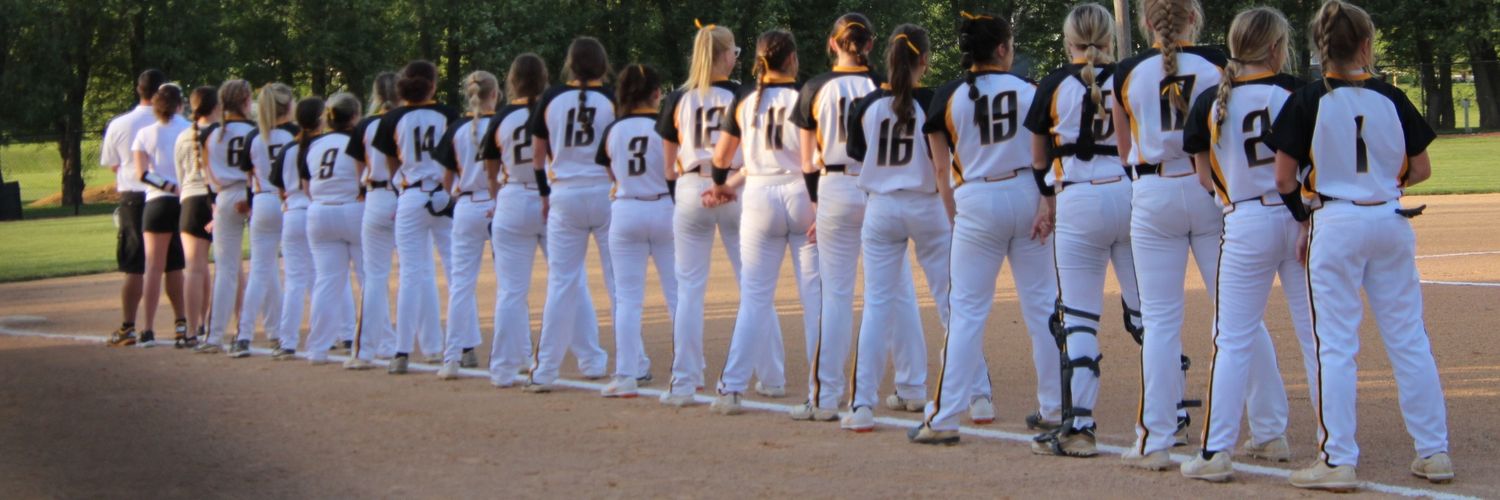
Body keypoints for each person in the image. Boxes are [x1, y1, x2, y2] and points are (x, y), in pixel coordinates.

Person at [1266, 0, 1453, 490]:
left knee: (1337, 345)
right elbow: (1421, 169)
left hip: (1336, 221)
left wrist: (1307, 214)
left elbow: (1284, 177)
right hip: (1389, 219)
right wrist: (1380, 186)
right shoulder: (1391, 96)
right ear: (1366, 45)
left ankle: (1338, 458)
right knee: (1409, 338)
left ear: (1320, 47)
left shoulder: (1307, 99)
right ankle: (1434, 452)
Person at [1178, 7, 1316, 481]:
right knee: (1316, 338)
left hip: (1244, 220)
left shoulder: (1211, 102)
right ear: (1277, 48)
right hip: (1302, 220)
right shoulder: (1299, 92)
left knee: (1231, 341)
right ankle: (1332, 447)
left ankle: (1216, 453)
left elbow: (1202, 176)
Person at [913, 10, 1058, 445]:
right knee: (1042, 307)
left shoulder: (947, 96)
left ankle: (943, 417)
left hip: (975, 196)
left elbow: (941, 169)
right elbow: (1046, 155)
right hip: (1028, 194)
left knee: (967, 312)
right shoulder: (1032, 90)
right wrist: (1046, 203)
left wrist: (956, 216)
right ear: (1000, 49)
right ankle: (1054, 406)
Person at [1112, 0, 1237, 466]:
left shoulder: (1128, 72)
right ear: (1194, 18)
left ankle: (1156, 438)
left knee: (1161, 320)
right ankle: (1269, 429)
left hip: (1155, 190)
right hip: (1209, 187)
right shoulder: (1217, 65)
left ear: (1146, 22)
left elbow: (1126, 149)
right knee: (1236, 315)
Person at [791, 13, 930, 421]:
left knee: (836, 294)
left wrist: (817, 206)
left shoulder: (815, 87)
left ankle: (826, 395)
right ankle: (912, 385)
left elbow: (805, 160)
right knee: (898, 290)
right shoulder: (881, 85)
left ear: (833, 44)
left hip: (834, 186)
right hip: (879, 187)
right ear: (870, 46)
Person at [656, 22, 785, 406]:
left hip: (692, 185)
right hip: (737, 186)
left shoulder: (678, 98)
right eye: (734, 52)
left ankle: (684, 380)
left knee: (689, 289)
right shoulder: (746, 95)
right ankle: (772, 375)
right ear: (724, 55)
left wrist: (682, 196)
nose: (736, 58)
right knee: (754, 286)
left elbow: (667, 166)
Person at [839, 24, 952, 433]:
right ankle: (976, 396)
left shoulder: (867, 104)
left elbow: (857, 152)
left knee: (877, 306)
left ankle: (863, 404)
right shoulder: (933, 100)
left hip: (882, 208)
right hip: (927, 206)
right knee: (953, 304)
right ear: (923, 59)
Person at [707, 29, 821, 416]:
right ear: (791, 59)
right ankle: (819, 389)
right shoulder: (805, 94)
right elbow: (813, 158)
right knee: (814, 298)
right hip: (800, 192)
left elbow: (721, 159)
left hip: (758, 196)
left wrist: (722, 187)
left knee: (754, 297)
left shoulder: (744, 99)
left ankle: (731, 388)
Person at [524, 38, 618, 392]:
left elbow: (537, 158)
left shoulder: (550, 98)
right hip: (605, 192)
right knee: (618, 281)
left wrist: (545, 193)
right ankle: (633, 363)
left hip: (564, 192)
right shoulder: (612, 98)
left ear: (570, 64)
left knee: (562, 283)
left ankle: (545, 369)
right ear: (601, 64)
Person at [595, 64, 680, 398]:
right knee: (677, 293)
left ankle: (627, 373)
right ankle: (689, 367)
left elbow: (609, 172)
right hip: (663, 207)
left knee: (627, 298)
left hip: (626, 208)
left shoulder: (613, 130)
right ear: (657, 94)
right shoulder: (664, 125)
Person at [372, 61, 460, 374]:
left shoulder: (392, 117)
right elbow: (456, 157)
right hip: (443, 194)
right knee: (456, 272)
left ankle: (402, 351)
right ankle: (463, 346)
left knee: (410, 274)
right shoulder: (449, 114)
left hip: (410, 195)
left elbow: (391, 164)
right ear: (432, 85)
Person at [101, 69, 185, 346]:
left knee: (137, 265)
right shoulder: (182, 123)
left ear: (139, 89)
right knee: (174, 263)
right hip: (175, 196)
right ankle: (182, 323)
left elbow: (115, 164)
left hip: (135, 196)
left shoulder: (120, 124)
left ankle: (130, 326)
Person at [479, 54, 548, 387]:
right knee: (568, 280)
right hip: (550, 196)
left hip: (512, 195)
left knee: (510, 290)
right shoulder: (550, 107)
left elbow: (490, 171)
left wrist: (498, 199)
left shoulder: (501, 116)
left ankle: (504, 367)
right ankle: (589, 358)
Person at [290, 93, 365, 365]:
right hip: (353, 208)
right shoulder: (357, 141)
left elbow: (306, 187)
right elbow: (364, 179)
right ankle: (369, 343)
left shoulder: (314, 145)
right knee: (368, 278)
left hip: (319, 211)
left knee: (326, 282)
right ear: (355, 116)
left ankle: (318, 348)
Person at [434, 71, 500, 379]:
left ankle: (451, 359)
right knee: (510, 284)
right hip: (498, 203)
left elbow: (446, 182)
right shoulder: (503, 123)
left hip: (467, 205)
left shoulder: (457, 129)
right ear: (495, 95)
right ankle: (519, 354)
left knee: (461, 284)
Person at [345, 72, 399, 369]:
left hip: (376, 196)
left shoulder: (365, 125)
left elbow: (359, 168)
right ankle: (421, 344)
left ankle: (366, 350)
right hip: (407, 195)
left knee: (375, 275)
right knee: (418, 272)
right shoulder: (407, 118)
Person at [129, 83, 190, 348]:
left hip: (156, 203)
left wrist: (166, 185)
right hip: (184, 201)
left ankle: (148, 328)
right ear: (179, 104)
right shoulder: (188, 129)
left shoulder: (144, 133)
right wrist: (179, 187)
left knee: (153, 267)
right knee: (177, 266)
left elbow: (142, 173)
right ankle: (182, 323)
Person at [200, 79, 257, 355]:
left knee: (226, 270)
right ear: (246, 100)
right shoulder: (256, 130)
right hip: (254, 195)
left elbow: (207, 174)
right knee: (264, 267)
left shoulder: (212, 133)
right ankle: (273, 330)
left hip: (223, 195)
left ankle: (215, 336)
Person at [242, 83, 296, 360]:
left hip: (262, 200)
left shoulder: (254, 136)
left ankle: (243, 336)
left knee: (260, 271)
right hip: (290, 201)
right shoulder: (297, 134)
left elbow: (248, 176)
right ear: (288, 106)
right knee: (305, 271)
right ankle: (340, 333)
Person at [174, 86, 220, 348]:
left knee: (194, 268)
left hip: (191, 200)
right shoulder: (220, 134)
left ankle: (192, 329)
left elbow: (180, 176)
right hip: (216, 199)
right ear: (215, 107)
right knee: (229, 267)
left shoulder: (183, 137)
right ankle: (237, 326)